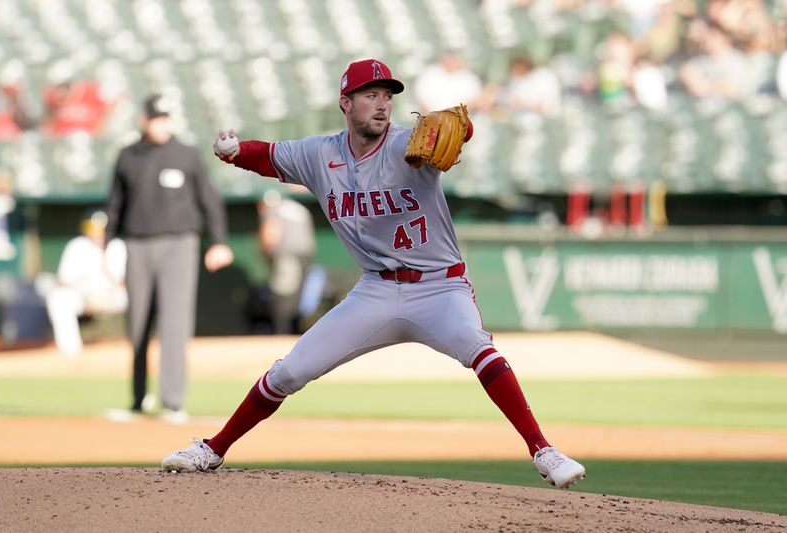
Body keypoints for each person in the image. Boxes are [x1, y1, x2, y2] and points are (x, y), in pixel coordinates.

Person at [162, 59, 585, 489]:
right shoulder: (320, 154)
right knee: (290, 371)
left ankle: (543, 451)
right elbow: (268, 156)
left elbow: (459, 133)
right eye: (371, 95)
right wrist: (234, 152)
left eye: (387, 96)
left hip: (439, 287)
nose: (382, 105)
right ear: (346, 102)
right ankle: (212, 449)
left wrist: (467, 130)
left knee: (479, 347)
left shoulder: (412, 147)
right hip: (376, 291)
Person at [105, 94, 234, 423]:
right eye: (156, 118)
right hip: (136, 243)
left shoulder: (187, 154)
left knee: (175, 324)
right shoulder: (128, 156)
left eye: (166, 118)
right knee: (136, 326)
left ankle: (173, 402)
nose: (162, 124)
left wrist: (218, 242)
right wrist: (108, 245)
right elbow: (115, 205)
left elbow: (209, 201)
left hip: (180, 243)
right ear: (144, 119)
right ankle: (137, 400)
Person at [45, 210, 127, 357]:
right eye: (91, 228)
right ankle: (71, 352)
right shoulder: (77, 246)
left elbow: (125, 281)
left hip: (113, 296)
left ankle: (137, 347)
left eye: (99, 229)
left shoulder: (117, 245)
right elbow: (64, 280)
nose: (95, 234)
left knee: (140, 296)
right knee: (58, 298)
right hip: (84, 296)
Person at [257, 189, 316, 334]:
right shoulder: (297, 208)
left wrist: (265, 252)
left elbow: (270, 234)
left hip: (287, 255)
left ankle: (281, 332)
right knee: (296, 295)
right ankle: (293, 330)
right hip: (305, 255)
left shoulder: (274, 209)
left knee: (283, 294)